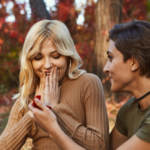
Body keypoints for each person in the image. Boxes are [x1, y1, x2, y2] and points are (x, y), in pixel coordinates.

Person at [0, 19, 109, 150]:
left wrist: (56, 109)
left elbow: (99, 145)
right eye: (38, 58)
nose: (47, 65)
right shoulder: (27, 96)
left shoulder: (88, 83)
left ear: (68, 56)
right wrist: (33, 113)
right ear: (30, 62)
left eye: (56, 56)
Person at [103, 20, 150, 150]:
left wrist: (54, 127)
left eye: (111, 58)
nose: (105, 68)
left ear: (134, 62)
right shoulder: (128, 110)